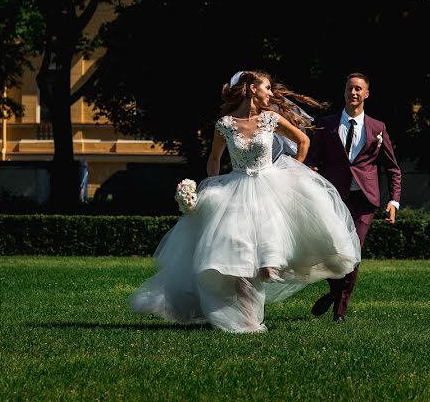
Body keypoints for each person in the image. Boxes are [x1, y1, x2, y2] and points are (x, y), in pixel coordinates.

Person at [129, 70, 361, 333]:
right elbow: (214, 158)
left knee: (266, 263)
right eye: (267, 88)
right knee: (238, 260)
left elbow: (303, 141)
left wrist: (294, 172)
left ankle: (270, 272)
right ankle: (249, 319)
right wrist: (209, 187)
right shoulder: (225, 125)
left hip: (270, 186)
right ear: (252, 89)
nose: (271, 94)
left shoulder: (271, 119)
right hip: (235, 189)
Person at [305, 72, 402, 322]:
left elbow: (392, 168)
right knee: (330, 253)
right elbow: (313, 160)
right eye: (350, 88)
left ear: (366, 94)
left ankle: (340, 311)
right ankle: (333, 293)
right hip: (332, 199)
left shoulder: (377, 128)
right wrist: (310, 174)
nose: (354, 93)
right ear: (344, 92)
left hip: (363, 201)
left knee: (353, 254)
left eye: (359, 89)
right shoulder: (326, 124)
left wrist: (393, 200)